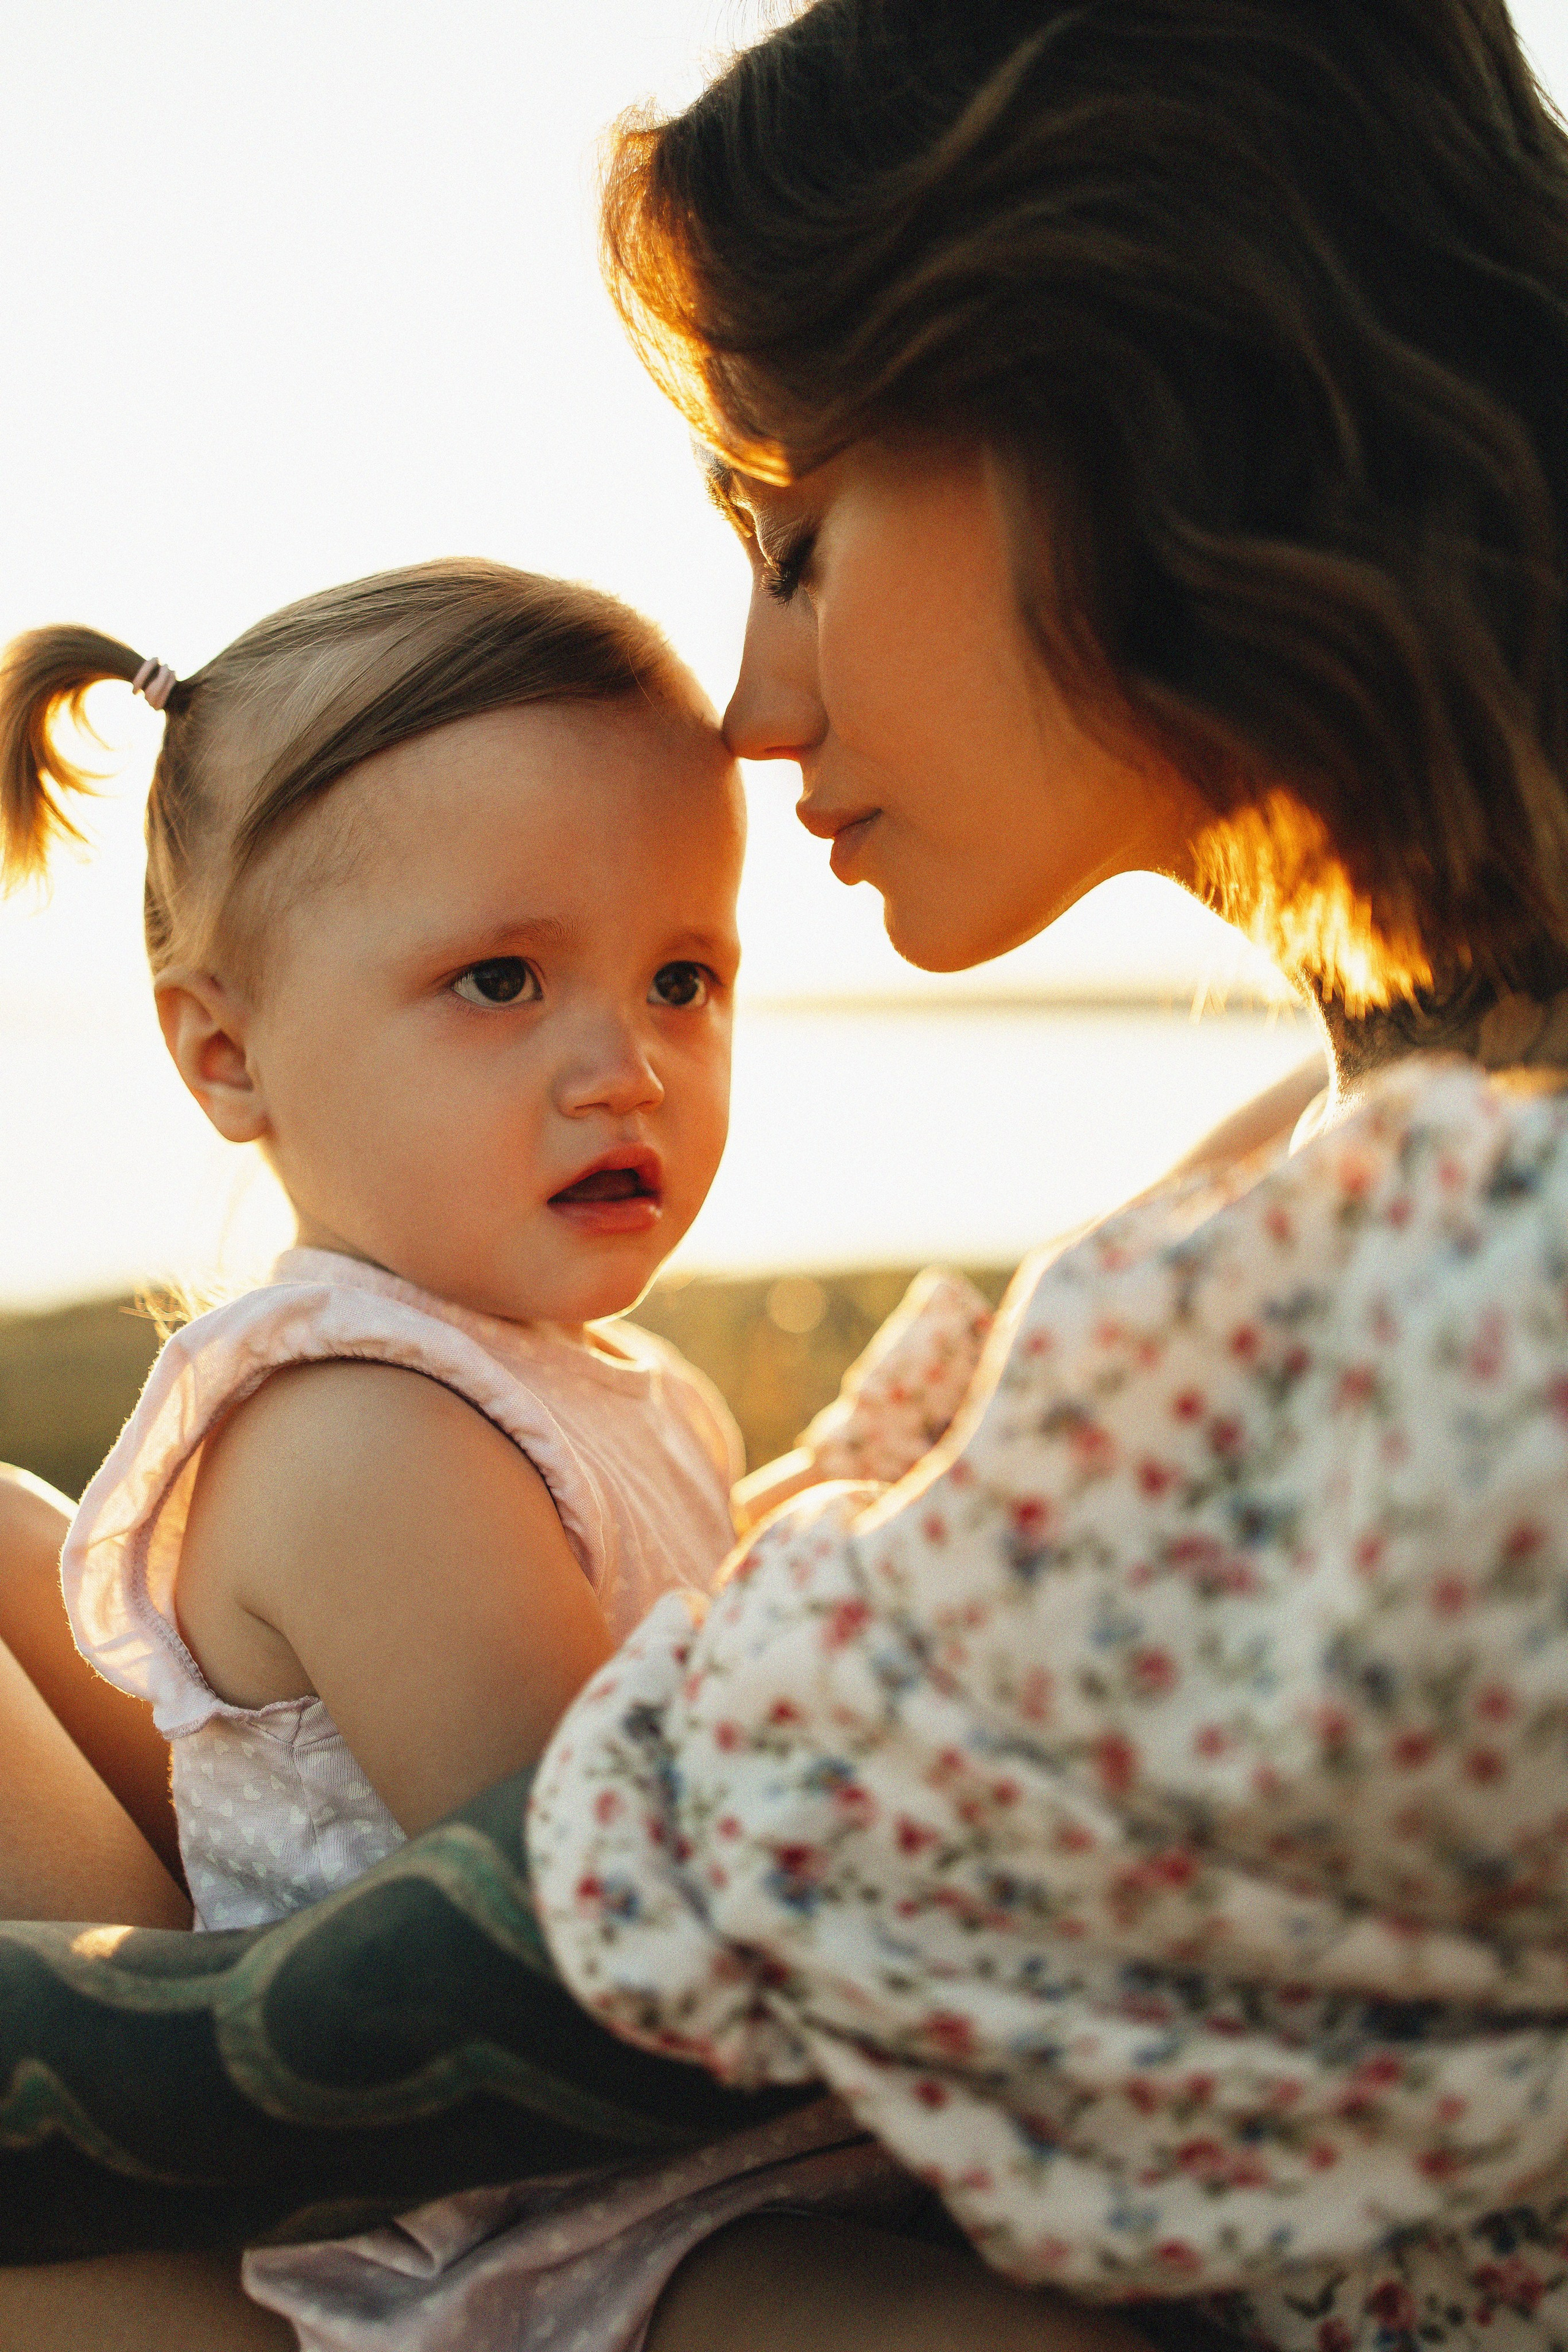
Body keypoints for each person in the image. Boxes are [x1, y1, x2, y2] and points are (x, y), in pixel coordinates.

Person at [7, 0, 1568, 2343]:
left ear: (1116, 404)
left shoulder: (1434, 1291)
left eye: (798, 533)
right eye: (499, 982)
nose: (746, 695)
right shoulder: (1321, 1181)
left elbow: (514, 1985)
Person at [0, 565, 1141, 2350]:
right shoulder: (356, 1433)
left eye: (684, 976)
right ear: (226, 1051)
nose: (624, 1066)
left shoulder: (584, 1376)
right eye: (501, 979)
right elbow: (587, 1892)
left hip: (695, 2162)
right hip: (527, 2229)